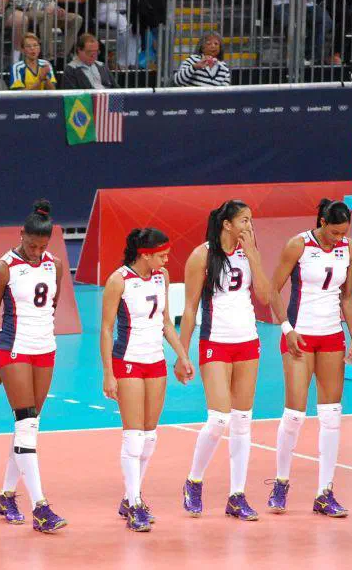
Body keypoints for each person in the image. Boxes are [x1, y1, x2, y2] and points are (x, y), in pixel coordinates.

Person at [179, 200, 300, 521]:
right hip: (215, 342)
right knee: (219, 419)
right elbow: (189, 309)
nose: (249, 226)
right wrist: (182, 353)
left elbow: (264, 296)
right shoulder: (202, 255)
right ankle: (193, 481)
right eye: (244, 220)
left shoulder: (249, 253)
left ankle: (237, 495)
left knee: (243, 421)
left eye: (251, 220)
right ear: (227, 224)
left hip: (247, 342)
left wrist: (255, 257)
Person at [267, 199, 352, 517]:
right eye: (334, 232)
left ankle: (324, 492)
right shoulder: (298, 245)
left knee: (332, 415)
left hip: (332, 335)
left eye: (343, 233)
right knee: (295, 414)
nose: (338, 238)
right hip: (300, 335)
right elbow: (272, 290)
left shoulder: (350, 249)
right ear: (322, 222)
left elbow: (347, 297)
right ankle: (281, 483)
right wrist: (287, 329)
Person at [0, 199, 68, 533]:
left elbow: (51, 307)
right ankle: (40, 507)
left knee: (28, 427)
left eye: (42, 247)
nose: (36, 252)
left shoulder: (55, 265)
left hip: (45, 349)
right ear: (21, 234)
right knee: (27, 424)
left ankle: (6, 496)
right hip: (14, 349)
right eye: (31, 245)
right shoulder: (2, 268)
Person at [100, 228, 192, 532]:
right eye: (161, 255)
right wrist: (108, 373)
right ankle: (135, 503)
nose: (166, 260)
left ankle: (130, 496)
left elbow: (165, 323)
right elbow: (106, 329)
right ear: (145, 254)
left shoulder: (161, 277)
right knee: (134, 436)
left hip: (155, 362)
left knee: (150, 437)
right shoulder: (119, 280)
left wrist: (182, 356)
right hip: (128, 361)